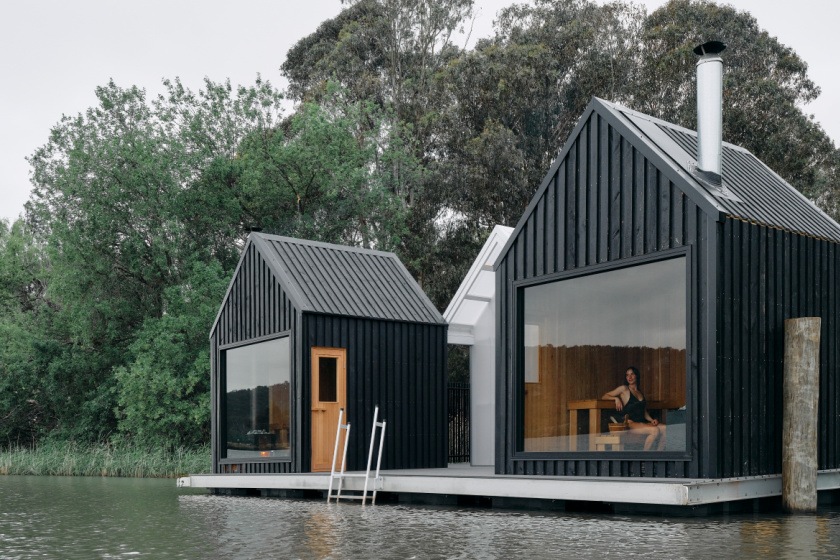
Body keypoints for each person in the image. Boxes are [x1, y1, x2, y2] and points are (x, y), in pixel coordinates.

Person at [601, 366, 666, 451]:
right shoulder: (624, 389)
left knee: (665, 428)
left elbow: (643, 411)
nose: (629, 377)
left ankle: (658, 455)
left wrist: (651, 420)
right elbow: (604, 396)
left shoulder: (639, 392)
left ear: (637, 376)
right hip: (630, 423)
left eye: (632, 374)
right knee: (655, 430)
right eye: (627, 375)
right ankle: (644, 459)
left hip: (641, 422)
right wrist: (615, 398)